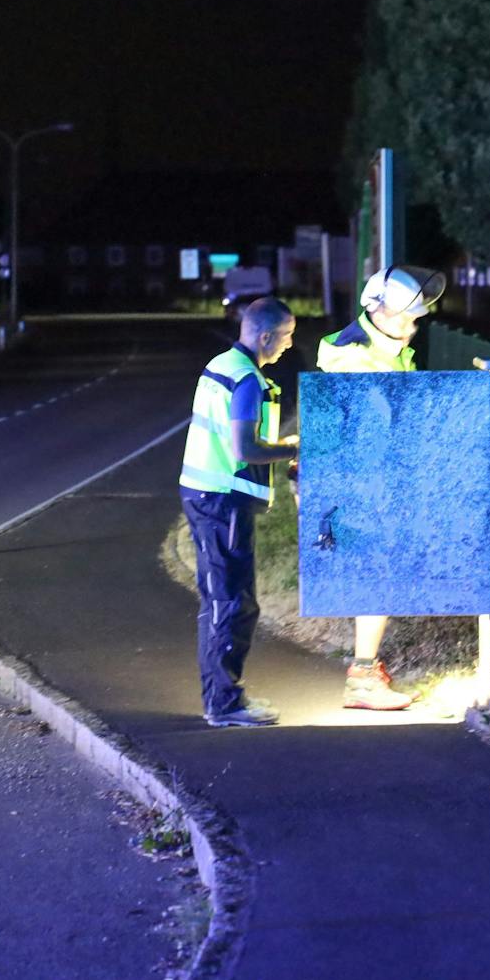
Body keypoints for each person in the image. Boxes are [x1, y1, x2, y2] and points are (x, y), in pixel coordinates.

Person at [316, 264, 446, 711]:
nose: (412, 327)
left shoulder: (388, 352)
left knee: (382, 574)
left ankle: (366, 672)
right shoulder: (354, 358)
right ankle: (363, 677)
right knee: (378, 572)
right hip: (365, 485)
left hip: (380, 482)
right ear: (377, 310)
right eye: (405, 318)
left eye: (416, 319)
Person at [180, 297, 298, 727]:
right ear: (265, 335)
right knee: (232, 602)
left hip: (205, 493)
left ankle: (223, 697)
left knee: (221, 599)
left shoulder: (222, 364)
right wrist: (294, 447)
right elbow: (244, 448)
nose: (289, 343)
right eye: (286, 335)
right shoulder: (247, 380)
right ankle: (224, 705)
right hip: (221, 500)